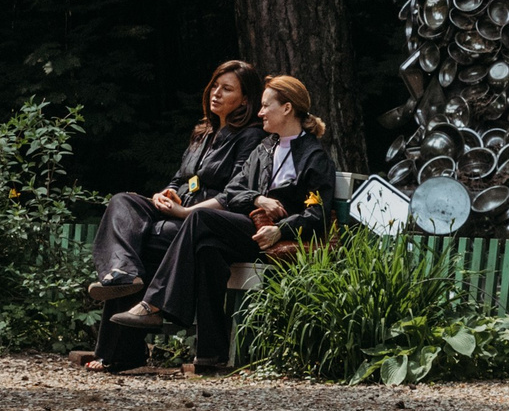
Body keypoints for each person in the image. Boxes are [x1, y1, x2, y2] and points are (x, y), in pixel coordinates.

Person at [110, 76, 338, 372]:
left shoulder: (314, 157)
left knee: (201, 219)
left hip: (277, 239)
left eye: (266, 106)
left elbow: (317, 213)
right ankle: (209, 354)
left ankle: (154, 305)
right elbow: (233, 192)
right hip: (249, 228)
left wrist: (281, 228)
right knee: (207, 248)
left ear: (287, 108)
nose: (260, 112)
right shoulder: (265, 148)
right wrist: (258, 199)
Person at [76, 60, 265, 374]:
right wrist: (165, 194)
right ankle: (123, 273)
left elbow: (235, 192)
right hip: (178, 214)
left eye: (227, 89)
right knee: (124, 202)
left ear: (245, 100)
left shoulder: (250, 137)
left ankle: (120, 348)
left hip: (206, 223)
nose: (216, 93)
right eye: (215, 86)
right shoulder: (202, 133)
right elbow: (180, 178)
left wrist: (186, 210)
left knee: (151, 240)